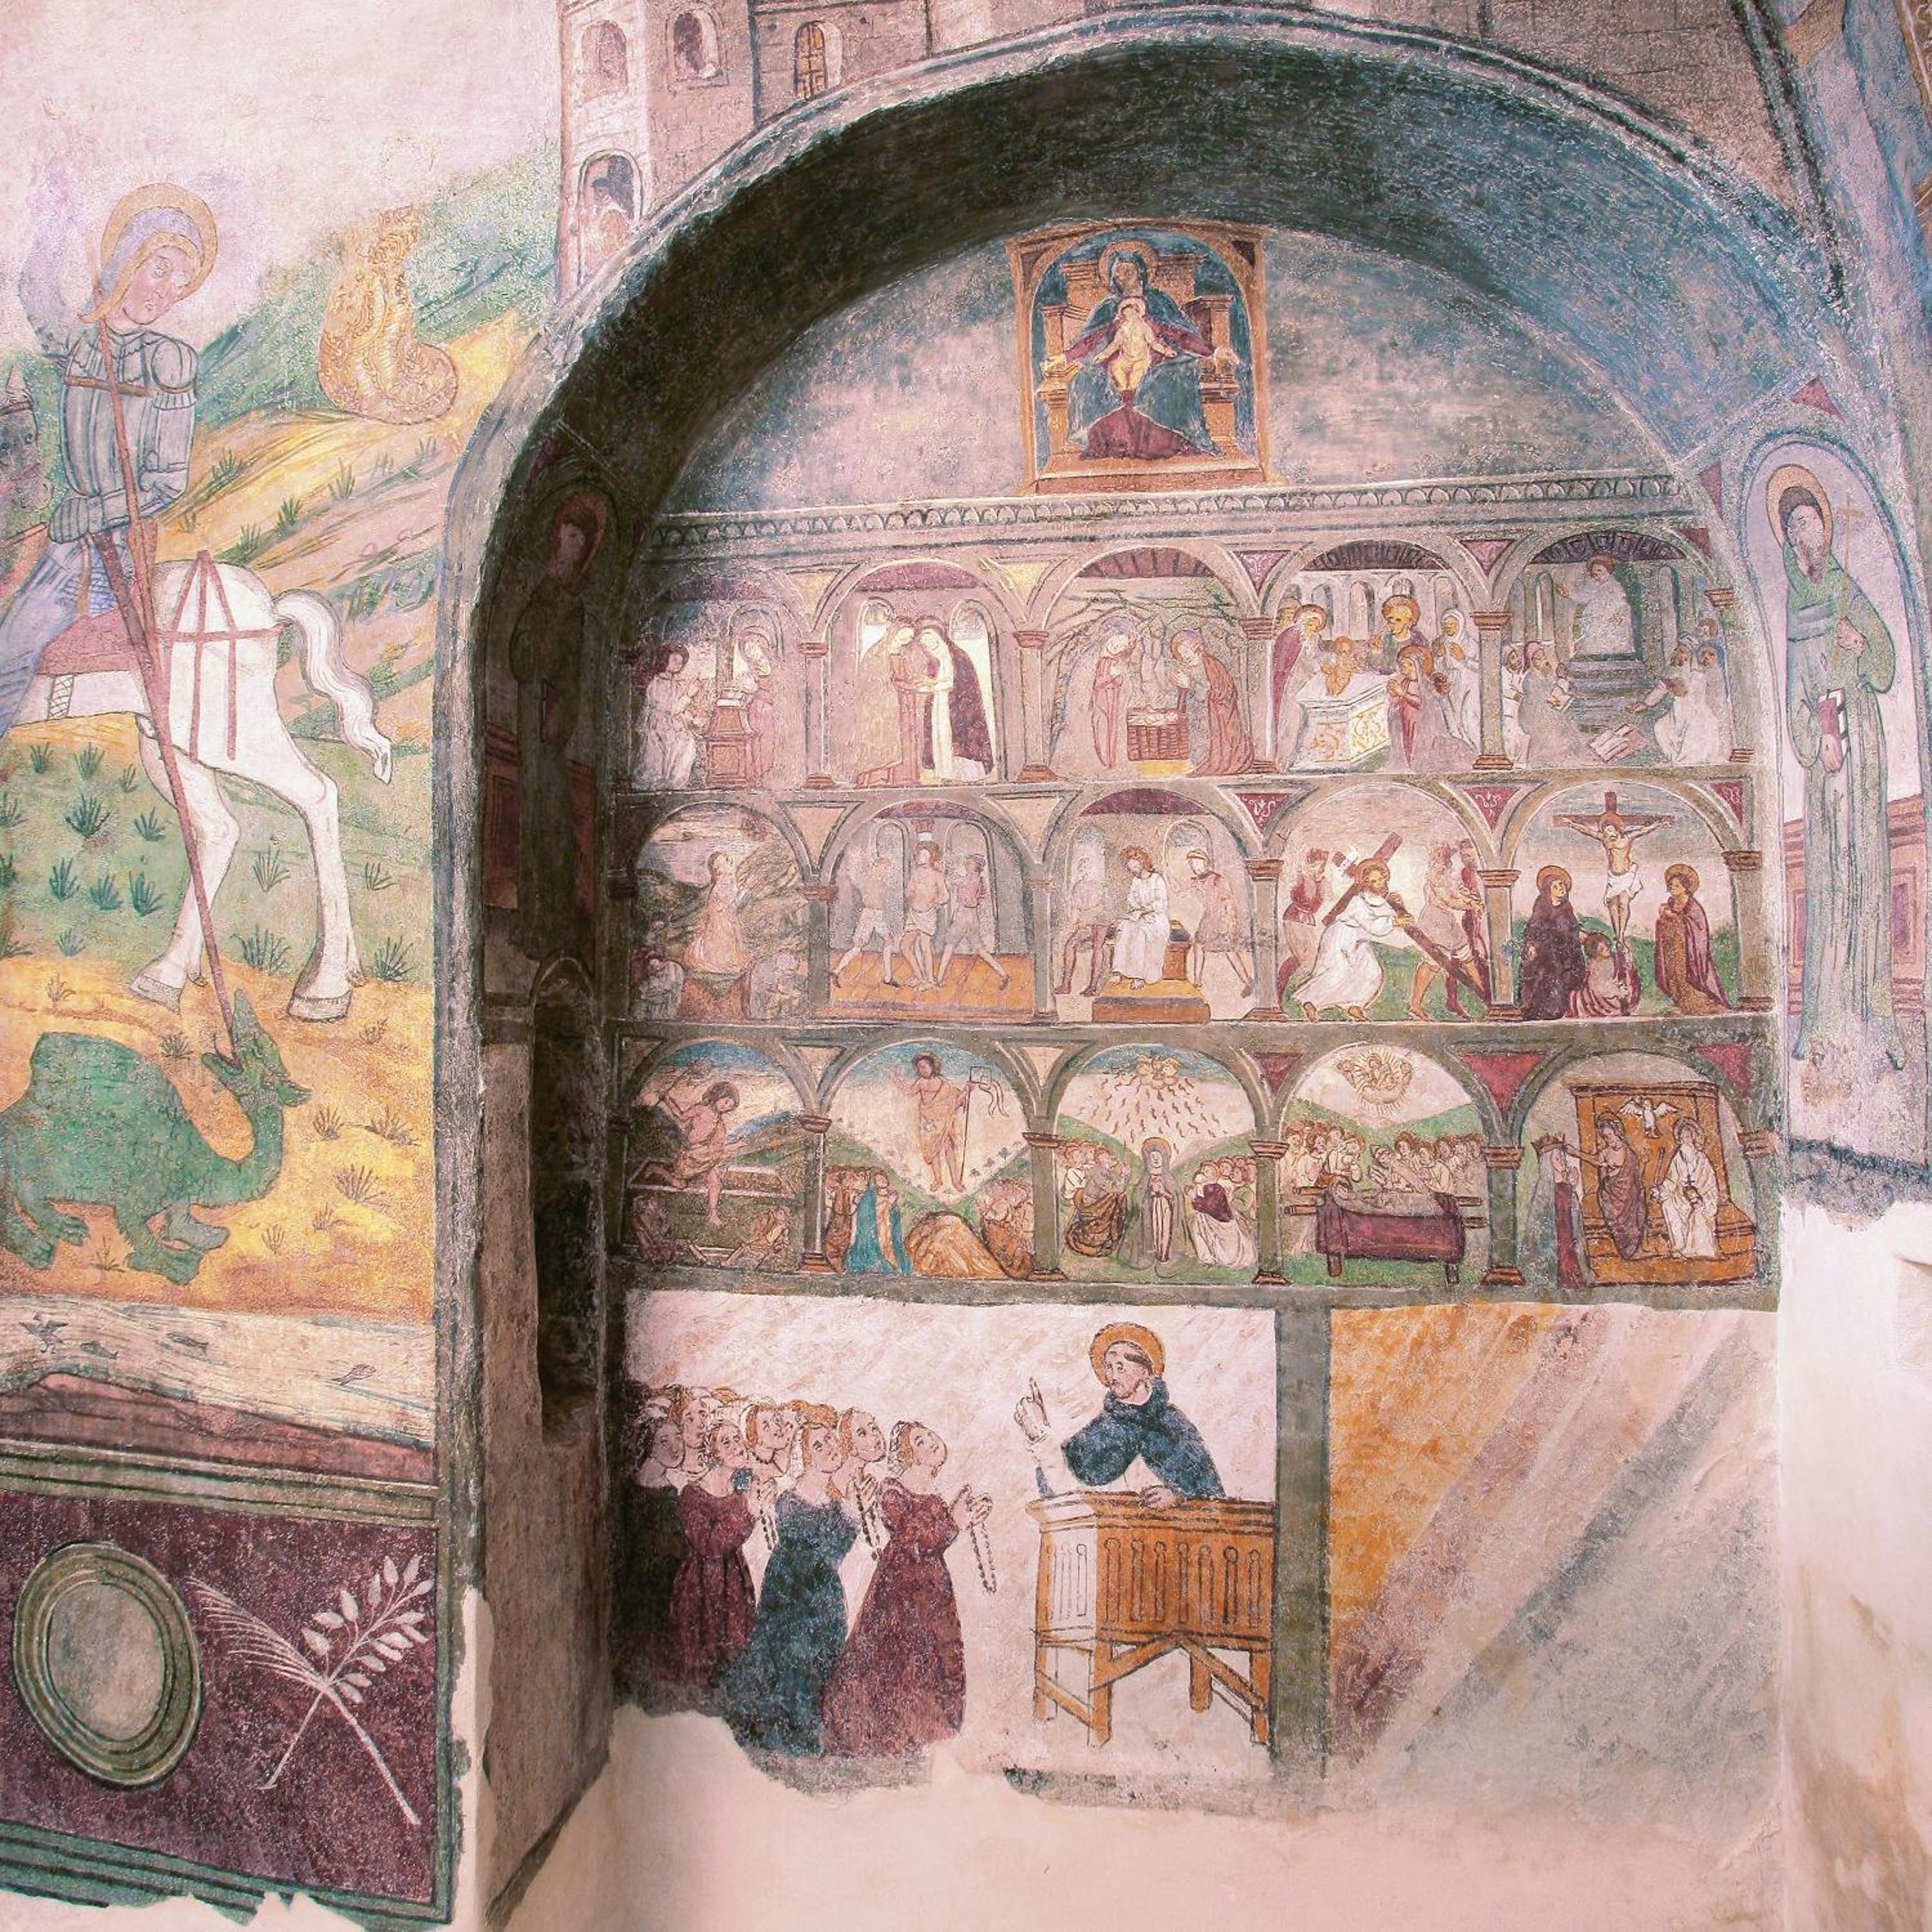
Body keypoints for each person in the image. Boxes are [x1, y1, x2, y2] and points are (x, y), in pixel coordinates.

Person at [0, 184, 214, 740]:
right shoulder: (79, 343)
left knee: (7, 655)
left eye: (180, 283)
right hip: (67, 536)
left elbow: (166, 484)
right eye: (159, 270)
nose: (166, 292)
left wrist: (91, 514)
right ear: (125, 262)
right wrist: (55, 216)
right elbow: (35, 290)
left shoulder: (168, 361)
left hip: (109, 548)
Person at [1776, 476, 1902, 1066]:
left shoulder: (1848, 589)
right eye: (1795, 525)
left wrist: (1858, 642)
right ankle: (1824, 1017)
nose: (1806, 532)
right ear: (1788, 540)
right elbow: (1794, 689)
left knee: (1867, 863)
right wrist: (1817, 734)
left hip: (1864, 739)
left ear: (1826, 528)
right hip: (1826, 749)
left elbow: (1884, 665)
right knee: (1828, 872)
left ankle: (1877, 1011)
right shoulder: (1794, 604)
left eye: (1811, 520)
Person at [822, 1421, 987, 1758]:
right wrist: (955, 1521)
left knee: (935, 1656)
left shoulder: (935, 1494)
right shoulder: (892, 1491)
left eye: (929, 1435)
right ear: (908, 1454)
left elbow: (939, 1537)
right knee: (898, 1660)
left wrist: (966, 1517)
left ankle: (924, 1735)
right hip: (901, 1592)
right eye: (919, 1441)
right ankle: (888, 1736)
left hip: (933, 1590)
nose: (931, 1442)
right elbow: (917, 1541)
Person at [721, 1419, 858, 1756]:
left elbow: (833, 1555)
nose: (829, 1449)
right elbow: (822, 1554)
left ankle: (809, 1738)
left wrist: (849, 1515)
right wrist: (850, 1517)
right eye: (818, 1445)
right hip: (793, 1598)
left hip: (824, 1599)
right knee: (791, 1664)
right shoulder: (790, 1500)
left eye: (831, 1441)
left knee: (820, 1663)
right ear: (804, 1456)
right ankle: (787, 1740)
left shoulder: (834, 1503)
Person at [511, 494, 605, 951]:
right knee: (533, 819)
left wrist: (558, 715)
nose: (570, 547)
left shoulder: (572, 604)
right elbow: (522, 653)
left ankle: (553, 923)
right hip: (531, 714)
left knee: (553, 821)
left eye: (578, 541)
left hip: (551, 721)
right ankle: (534, 924)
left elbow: (569, 670)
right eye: (567, 537)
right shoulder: (544, 592)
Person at [1014, 1324, 1224, 1507]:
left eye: (1120, 1368)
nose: (1112, 1376)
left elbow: (1212, 1497)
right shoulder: (1103, 1428)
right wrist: (1040, 1434)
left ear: (1144, 1371)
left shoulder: (1174, 1425)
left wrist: (1179, 1498)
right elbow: (1064, 1486)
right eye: (1109, 1368)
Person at [1056, 246, 1227, 462]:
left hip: (1155, 360)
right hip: (1118, 360)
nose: (1123, 277)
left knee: (1172, 375)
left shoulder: (1159, 302)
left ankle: (1166, 443)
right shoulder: (1108, 307)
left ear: (1141, 272)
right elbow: (1093, 339)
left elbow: (1178, 334)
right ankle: (1111, 443)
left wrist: (1213, 352)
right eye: (1118, 273)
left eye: (1128, 271)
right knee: (1086, 378)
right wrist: (1066, 357)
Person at [655, 1420, 762, 1696]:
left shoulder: (740, 1494)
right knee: (703, 1650)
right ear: (713, 1453)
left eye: (737, 1439)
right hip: (702, 1584)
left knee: (733, 1648)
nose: (737, 1446)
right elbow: (709, 1545)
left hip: (733, 1583)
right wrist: (748, 1513)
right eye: (727, 1442)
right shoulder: (693, 1494)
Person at [1294, 857, 1418, 1021]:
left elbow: (1390, 917)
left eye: (1381, 879)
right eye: (1374, 881)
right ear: (1366, 884)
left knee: (1372, 971)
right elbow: (1373, 925)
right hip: (1340, 938)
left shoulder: (1380, 899)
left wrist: (1400, 909)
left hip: (1358, 941)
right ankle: (1310, 1002)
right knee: (1337, 973)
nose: (1380, 883)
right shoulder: (1357, 902)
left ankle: (1355, 1005)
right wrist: (1395, 922)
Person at [1552, 791, 1674, 943]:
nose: (1609, 834)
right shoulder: (1605, 839)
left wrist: (1658, 824)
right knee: (1612, 905)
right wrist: (1571, 824)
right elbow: (1587, 831)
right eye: (1606, 832)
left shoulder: (1626, 838)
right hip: (1613, 877)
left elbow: (1643, 830)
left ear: (1617, 829)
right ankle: (1618, 935)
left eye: (1610, 830)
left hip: (1626, 875)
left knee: (1623, 903)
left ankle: (1621, 934)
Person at [639, 1069, 741, 1226]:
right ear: (718, 1095)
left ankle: (713, 1214)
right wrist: (667, 1100)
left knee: (715, 1181)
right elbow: (681, 1116)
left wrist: (736, 1145)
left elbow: (718, 1148)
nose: (725, 1107)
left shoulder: (720, 1125)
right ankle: (657, 1169)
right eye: (726, 1102)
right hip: (690, 1158)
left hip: (705, 1160)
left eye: (730, 1107)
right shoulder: (701, 1109)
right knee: (680, 1185)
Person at [1409, 840, 1484, 1019]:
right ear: (1434, 855)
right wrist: (1470, 905)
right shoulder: (1435, 874)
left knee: (1467, 957)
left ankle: (1486, 998)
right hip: (1435, 919)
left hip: (1447, 920)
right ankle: (1415, 1005)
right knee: (1433, 963)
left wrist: (1471, 899)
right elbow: (1448, 900)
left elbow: (1458, 890)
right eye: (1440, 852)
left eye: (1446, 852)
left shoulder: (1448, 872)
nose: (1444, 855)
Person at [1170, 628, 1253, 775]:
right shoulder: (1185, 667)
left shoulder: (1212, 666)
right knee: (1195, 738)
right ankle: (1198, 762)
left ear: (1196, 647)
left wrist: (1189, 684)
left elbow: (1216, 691)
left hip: (1214, 715)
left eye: (1186, 650)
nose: (1184, 655)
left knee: (1208, 740)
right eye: (1181, 652)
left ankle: (1208, 763)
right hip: (1195, 713)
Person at [680, 849, 751, 1017]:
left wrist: (742, 892)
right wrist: (745, 892)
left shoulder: (729, 883)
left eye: (727, 863)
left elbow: (735, 907)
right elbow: (732, 908)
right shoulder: (720, 887)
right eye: (721, 865)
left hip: (728, 924)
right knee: (723, 952)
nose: (729, 866)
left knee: (732, 948)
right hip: (721, 926)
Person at [1653, 864, 1730, 1014]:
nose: (1672, 888)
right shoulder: (1670, 904)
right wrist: (1664, 919)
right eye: (1671, 885)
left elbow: (1698, 929)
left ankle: (1695, 1004)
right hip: (1671, 948)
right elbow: (1663, 924)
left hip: (1688, 951)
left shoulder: (1693, 907)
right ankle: (1681, 1003)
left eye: (1677, 886)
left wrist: (1676, 918)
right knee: (1673, 976)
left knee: (1685, 976)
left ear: (1685, 887)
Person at [892, 1052, 974, 1194]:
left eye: (925, 1066)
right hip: (928, 1120)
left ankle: (956, 1181)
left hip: (943, 1119)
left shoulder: (943, 1082)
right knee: (933, 1151)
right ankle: (938, 1180)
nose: (922, 1070)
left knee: (949, 1149)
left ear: (932, 1066)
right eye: (919, 1068)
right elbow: (909, 1093)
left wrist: (966, 1091)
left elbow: (954, 1100)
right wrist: (897, 1081)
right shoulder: (920, 1082)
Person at [1517, 866, 1585, 1020]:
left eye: (1562, 885)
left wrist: (1578, 933)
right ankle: (1536, 1010)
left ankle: (1559, 1008)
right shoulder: (1541, 907)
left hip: (1564, 953)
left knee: (1565, 977)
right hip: (1545, 954)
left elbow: (1571, 928)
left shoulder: (1566, 908)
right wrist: (1531, 945)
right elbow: (1532, 929)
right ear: (1548, 891)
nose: (1561, 888)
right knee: (1543, 976)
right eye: (1556, 887)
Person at [937, 851, 1010, 992]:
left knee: (950, 945)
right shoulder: (978, 880)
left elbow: (953, 880)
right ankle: (1003, 974)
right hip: (973, 917)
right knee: (980, 949)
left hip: (964, 916)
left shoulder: (970, 880)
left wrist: (944, 870)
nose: (966, 865)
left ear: (976, 867)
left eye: (970, 863)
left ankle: (939, 980)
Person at [834, 839, 902, 990]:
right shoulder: (868, 881)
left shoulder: (882, 883)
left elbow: (883, 901)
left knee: (888, 940)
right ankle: (837, 971)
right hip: (870, 915)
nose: (884, 871)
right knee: (858, 946)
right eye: (882, 868)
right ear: (875, 867)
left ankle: (888, 976)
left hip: (877, 915)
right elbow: (866, 895)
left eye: (886, 869)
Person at [1184, 849, 1253, 997]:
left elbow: (1228, 900)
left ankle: (1248, 982)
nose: (1196, 867)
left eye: (1198, 863)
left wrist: (1230, 920)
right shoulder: (1197, 881)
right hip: (1208, 919)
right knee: (1198, 945)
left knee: (1230, 951)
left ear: (1206, 863)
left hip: (1220, 919)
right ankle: (1197, 980)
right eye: (1193, 864)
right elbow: (1192, 898)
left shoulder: (1217, 879)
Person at [1526, 1134, 1587, 1293]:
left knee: (1570, 1261)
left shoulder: (1567, 1188)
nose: (1562, 1161)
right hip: (1553, 1238)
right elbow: (1537, 1219)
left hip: (1568, 1235)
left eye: (1562, 1158)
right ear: (1548, 1162)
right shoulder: (1543, 1190)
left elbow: (1575, 1215)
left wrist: (1573, 1187)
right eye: (1557, 1158)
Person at [635, 641, 699, 790]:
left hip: (672, 726)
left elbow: (680, 710)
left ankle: (675, 782)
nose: (678, 665)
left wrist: (693, 719)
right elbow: (671, 709)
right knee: (675, 744)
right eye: (675, 660)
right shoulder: (656, 684)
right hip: (659, 727)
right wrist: (689, 695)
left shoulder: (675, 685)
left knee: (687, 741)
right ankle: (664, 782)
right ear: (665, 660)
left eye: (681, 663)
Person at [1654, 1117, 1721, 1259]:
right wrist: (1661, 1190)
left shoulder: (1702, 1158)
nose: (1687, 1139)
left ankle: (1699, 1250)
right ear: (1679, 1138)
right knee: (1668, 1204)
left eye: (1689, 1135)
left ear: (1694, 1136)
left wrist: (1701, 1198)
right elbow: (1671, 1180)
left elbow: (1710, 1182)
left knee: (1699, 1210)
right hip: (1680, 1196)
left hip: (1701, 1195)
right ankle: (1679, 1246)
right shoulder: (1678, 1158)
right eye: (1683, 1136)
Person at [1057, 836, 1112, 996]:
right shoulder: (1078, 886)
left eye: (1087, 868)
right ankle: (1066, 984)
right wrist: (1075, 921)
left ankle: (1093, 986)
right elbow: (1076, 908)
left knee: (1097, 947)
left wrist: (1086, 918)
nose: (1084, 871)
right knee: (1070, 945)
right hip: (1087, 923)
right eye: (1082, 868)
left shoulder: (1100, 886)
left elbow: (1102, 907)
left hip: (1101, 921)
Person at [1109, 846, 1170, 987]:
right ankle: (1119, 970)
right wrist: (1137, 910)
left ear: (1143, 863)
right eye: (1132, 869)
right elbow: (1131, 899)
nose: (1134, 871)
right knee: (1124, 928)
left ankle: (1139, 976)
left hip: (1156, 920)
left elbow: (1161, 904)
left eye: (1136, 867)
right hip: (1140, 916)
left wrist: (1145, 911)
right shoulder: (1136, 881)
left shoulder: (1157, 879)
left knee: (1141, 932)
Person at [1276, 848, 1331, 1002]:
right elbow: (1294, 893)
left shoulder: (1324, 882)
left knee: (1310, 960)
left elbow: (1330, 898)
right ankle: (1285, 992)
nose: (1317, 867)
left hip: (1309, 922)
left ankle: (1295, 993)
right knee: (1303, 959)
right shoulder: (1302, 878)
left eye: (1320, 864)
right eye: (1314, 863)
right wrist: (1306, 880)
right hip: (1294, 918)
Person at [1061, 1143, 1129, 1260]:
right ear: (1100, 1159)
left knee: (1119, 1196)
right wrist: (1123, 1175)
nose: (1109, 1159)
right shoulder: (1097, 1172)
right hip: (1091, 1206)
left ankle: (1110, 1233)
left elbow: (1117, 1187)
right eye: (1105, 1156)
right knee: (1115, 1196)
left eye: (1109, 1157)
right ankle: (1102, 1237)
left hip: (1099, 1204)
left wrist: (1123, 1175)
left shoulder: (1105, 1172)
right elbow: (1115, 1188)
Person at [1186, 1159, 1257, 1270]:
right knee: (1195, 1225)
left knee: (1229, 1254)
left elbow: (1211, 1206)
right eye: (1203, 1171)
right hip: (1210, 1219)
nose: (1204, 1173)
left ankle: (1216, 1258)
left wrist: (1195, 1198)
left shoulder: (1216, 1188)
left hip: (1222, 1221)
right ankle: (1207, 1258)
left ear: (1214, 1174)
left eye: (1208, 1171)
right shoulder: (1203, 1187)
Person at [1124, 1137, 1180, 1271]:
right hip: (1150, 1210)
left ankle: (1163, 1256)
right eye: (1153, 1156)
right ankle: (1152, 1255)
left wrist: (1165, 1195)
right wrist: (1146, 1199)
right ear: (1148, 1159)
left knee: (1165, 1231)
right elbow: (1138, 1196)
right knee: (1154, 1230)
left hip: (1165, 1209)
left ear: (1164, 1158)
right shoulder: (1146, 1177)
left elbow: (1177, 1197)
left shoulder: (1169, 1178)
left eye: (1158, 1156)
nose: (1155, 1159)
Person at [900, 838, 949, 990]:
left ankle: (929, 981)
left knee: (925, 948)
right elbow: (908, 894)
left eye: (924, 855)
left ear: (931, 857)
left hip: (927, 915)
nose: (921, 858)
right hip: (913, 914)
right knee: (904, 946)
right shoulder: (915, 873)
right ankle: (919, 976)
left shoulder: (937, 876)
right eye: (920, 855)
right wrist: (912, 890)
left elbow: (945, 896)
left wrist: (936, 902)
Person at [843, 1170, 909, 1274]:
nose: (882, 1180)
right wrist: (856, 1202)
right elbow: (861, 1213)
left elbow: (894, 1215)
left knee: (891, 1249)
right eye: (878, 1180)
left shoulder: (893, 1195)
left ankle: (893, 1266)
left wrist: (891, 1205)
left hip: (888, 1228)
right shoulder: (870, 1196)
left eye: (883, 1178)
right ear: (875, 1183)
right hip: (875, 1228)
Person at [1570, 554, 1636, 658]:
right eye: (1594, 573)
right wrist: (1569, 594)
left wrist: (1620, 615)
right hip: (1595, 620)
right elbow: (1583, 597)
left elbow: (1624, 605)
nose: (1596, 575)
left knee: (1611, 640)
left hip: (1610, 622)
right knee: (1592, 640)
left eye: (1599, 571)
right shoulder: (1593, 585)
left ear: (1608, 571)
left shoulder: (1615, 586)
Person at [1571, 932, 1640, 1017]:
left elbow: (1626, 966)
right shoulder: (1597, 966)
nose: (1607, 949)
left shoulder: (1612, 960)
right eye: (1602, 949)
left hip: (1611, 998)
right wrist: (1618, 992)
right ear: (1595, 953)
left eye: (1607, 946)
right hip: (1604, 996)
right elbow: (1600, 987)